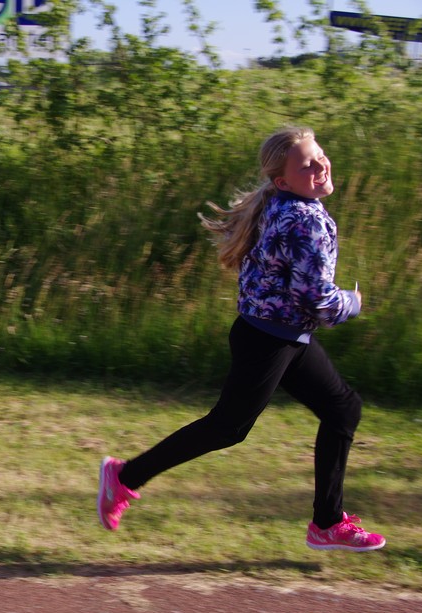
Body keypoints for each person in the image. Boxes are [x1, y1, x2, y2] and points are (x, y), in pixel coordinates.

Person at [98, 126, 385, 552]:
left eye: (320, 155)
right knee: (227, 428)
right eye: (307, 164)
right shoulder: (305, 219)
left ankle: (328, 523)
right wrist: (352, 302)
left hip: (276, 334)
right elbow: (316, 299)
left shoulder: (281, 204)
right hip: (271, 341)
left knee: (343, 409)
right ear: (282, 181)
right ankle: (123, 476)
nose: (320, 165)